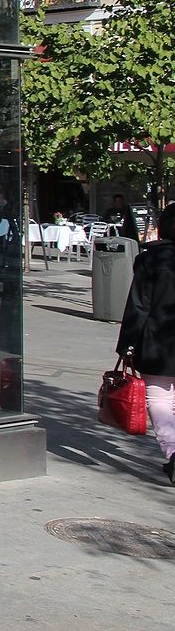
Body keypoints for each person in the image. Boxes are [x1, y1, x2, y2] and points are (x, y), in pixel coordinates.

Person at [117, 203, 175, 485]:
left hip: (158, 340)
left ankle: (173, 453)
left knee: (159, 396)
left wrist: (126, 343)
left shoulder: (151, 259)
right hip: (161, 339)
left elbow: (138, 306)